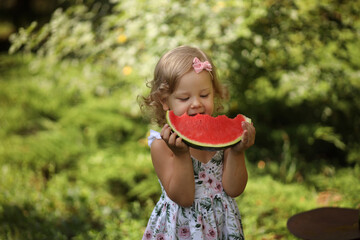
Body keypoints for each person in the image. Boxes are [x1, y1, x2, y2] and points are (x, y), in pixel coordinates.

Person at [140, 45, 256, 240]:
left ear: (215, 93)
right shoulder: (161, 145)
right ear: (164, 101)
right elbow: (184, 198)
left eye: (204, 95)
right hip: (182, 229)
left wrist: (237, 151)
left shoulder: (223, 142)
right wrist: (180, 155)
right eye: (184, 98)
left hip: (222, 226)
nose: (196, 103)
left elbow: (234, 189)